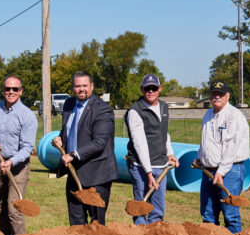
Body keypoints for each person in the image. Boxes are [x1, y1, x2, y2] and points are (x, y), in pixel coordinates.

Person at [54, 71, 116, 225]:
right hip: (75, 173)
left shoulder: (102, 109)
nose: (81, 89)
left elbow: (100, 142)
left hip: (97, 174)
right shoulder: (69, 104)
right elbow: (69, 129)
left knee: (96, 224)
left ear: (92, 86)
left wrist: (73, 155)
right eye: (77, 86)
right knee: (76, 223)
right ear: (72, 88)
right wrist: (61, 139)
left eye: (85, 86)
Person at [0, 74, 37, 235]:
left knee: (14, 209)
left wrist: (12, 162)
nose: (11, 92)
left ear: (20, 91)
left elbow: (28, 147)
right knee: (0, 206)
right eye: (8, 89)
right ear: (3, 90)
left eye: (15, 89)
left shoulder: (27, 115)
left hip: (18, 167)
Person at [124, 74, 179, 225]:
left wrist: (170, 153)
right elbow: (139, 143)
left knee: (158, 209)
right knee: (141, 209)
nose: (150, 91)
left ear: (159, 89)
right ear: (142, 89)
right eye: (147, 88)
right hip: (140, 167)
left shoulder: (164, 107)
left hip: (160, 164)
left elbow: (164, 133)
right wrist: (148, 173)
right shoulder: (135, 111)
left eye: (154, 88)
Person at [196, 81, 250, 233]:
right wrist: (200, 157)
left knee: (230, 214)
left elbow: (231, 147)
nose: (217, 96)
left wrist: (221, 171)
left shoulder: (234, 116)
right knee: (208, 214)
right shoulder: (208, 115)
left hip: (230, 171)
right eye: (214, 93)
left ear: (228, 96)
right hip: (208, 171)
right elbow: (205, 141)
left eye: (221, 94)